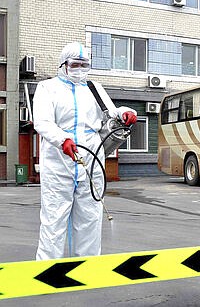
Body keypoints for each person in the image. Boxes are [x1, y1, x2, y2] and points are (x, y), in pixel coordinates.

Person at [33, 42, 137, 260]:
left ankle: (88, 266)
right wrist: (62, 140)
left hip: (91, 161)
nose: (80, 69)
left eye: (84, 64)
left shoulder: (93, 88)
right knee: (54, 218)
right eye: (75, 64)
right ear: (63, 64)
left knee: (90, 217)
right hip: (59, 162)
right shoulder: (47, 88)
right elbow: (42, 122)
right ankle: (46, 270)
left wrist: (127, 112)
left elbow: (111, 112)